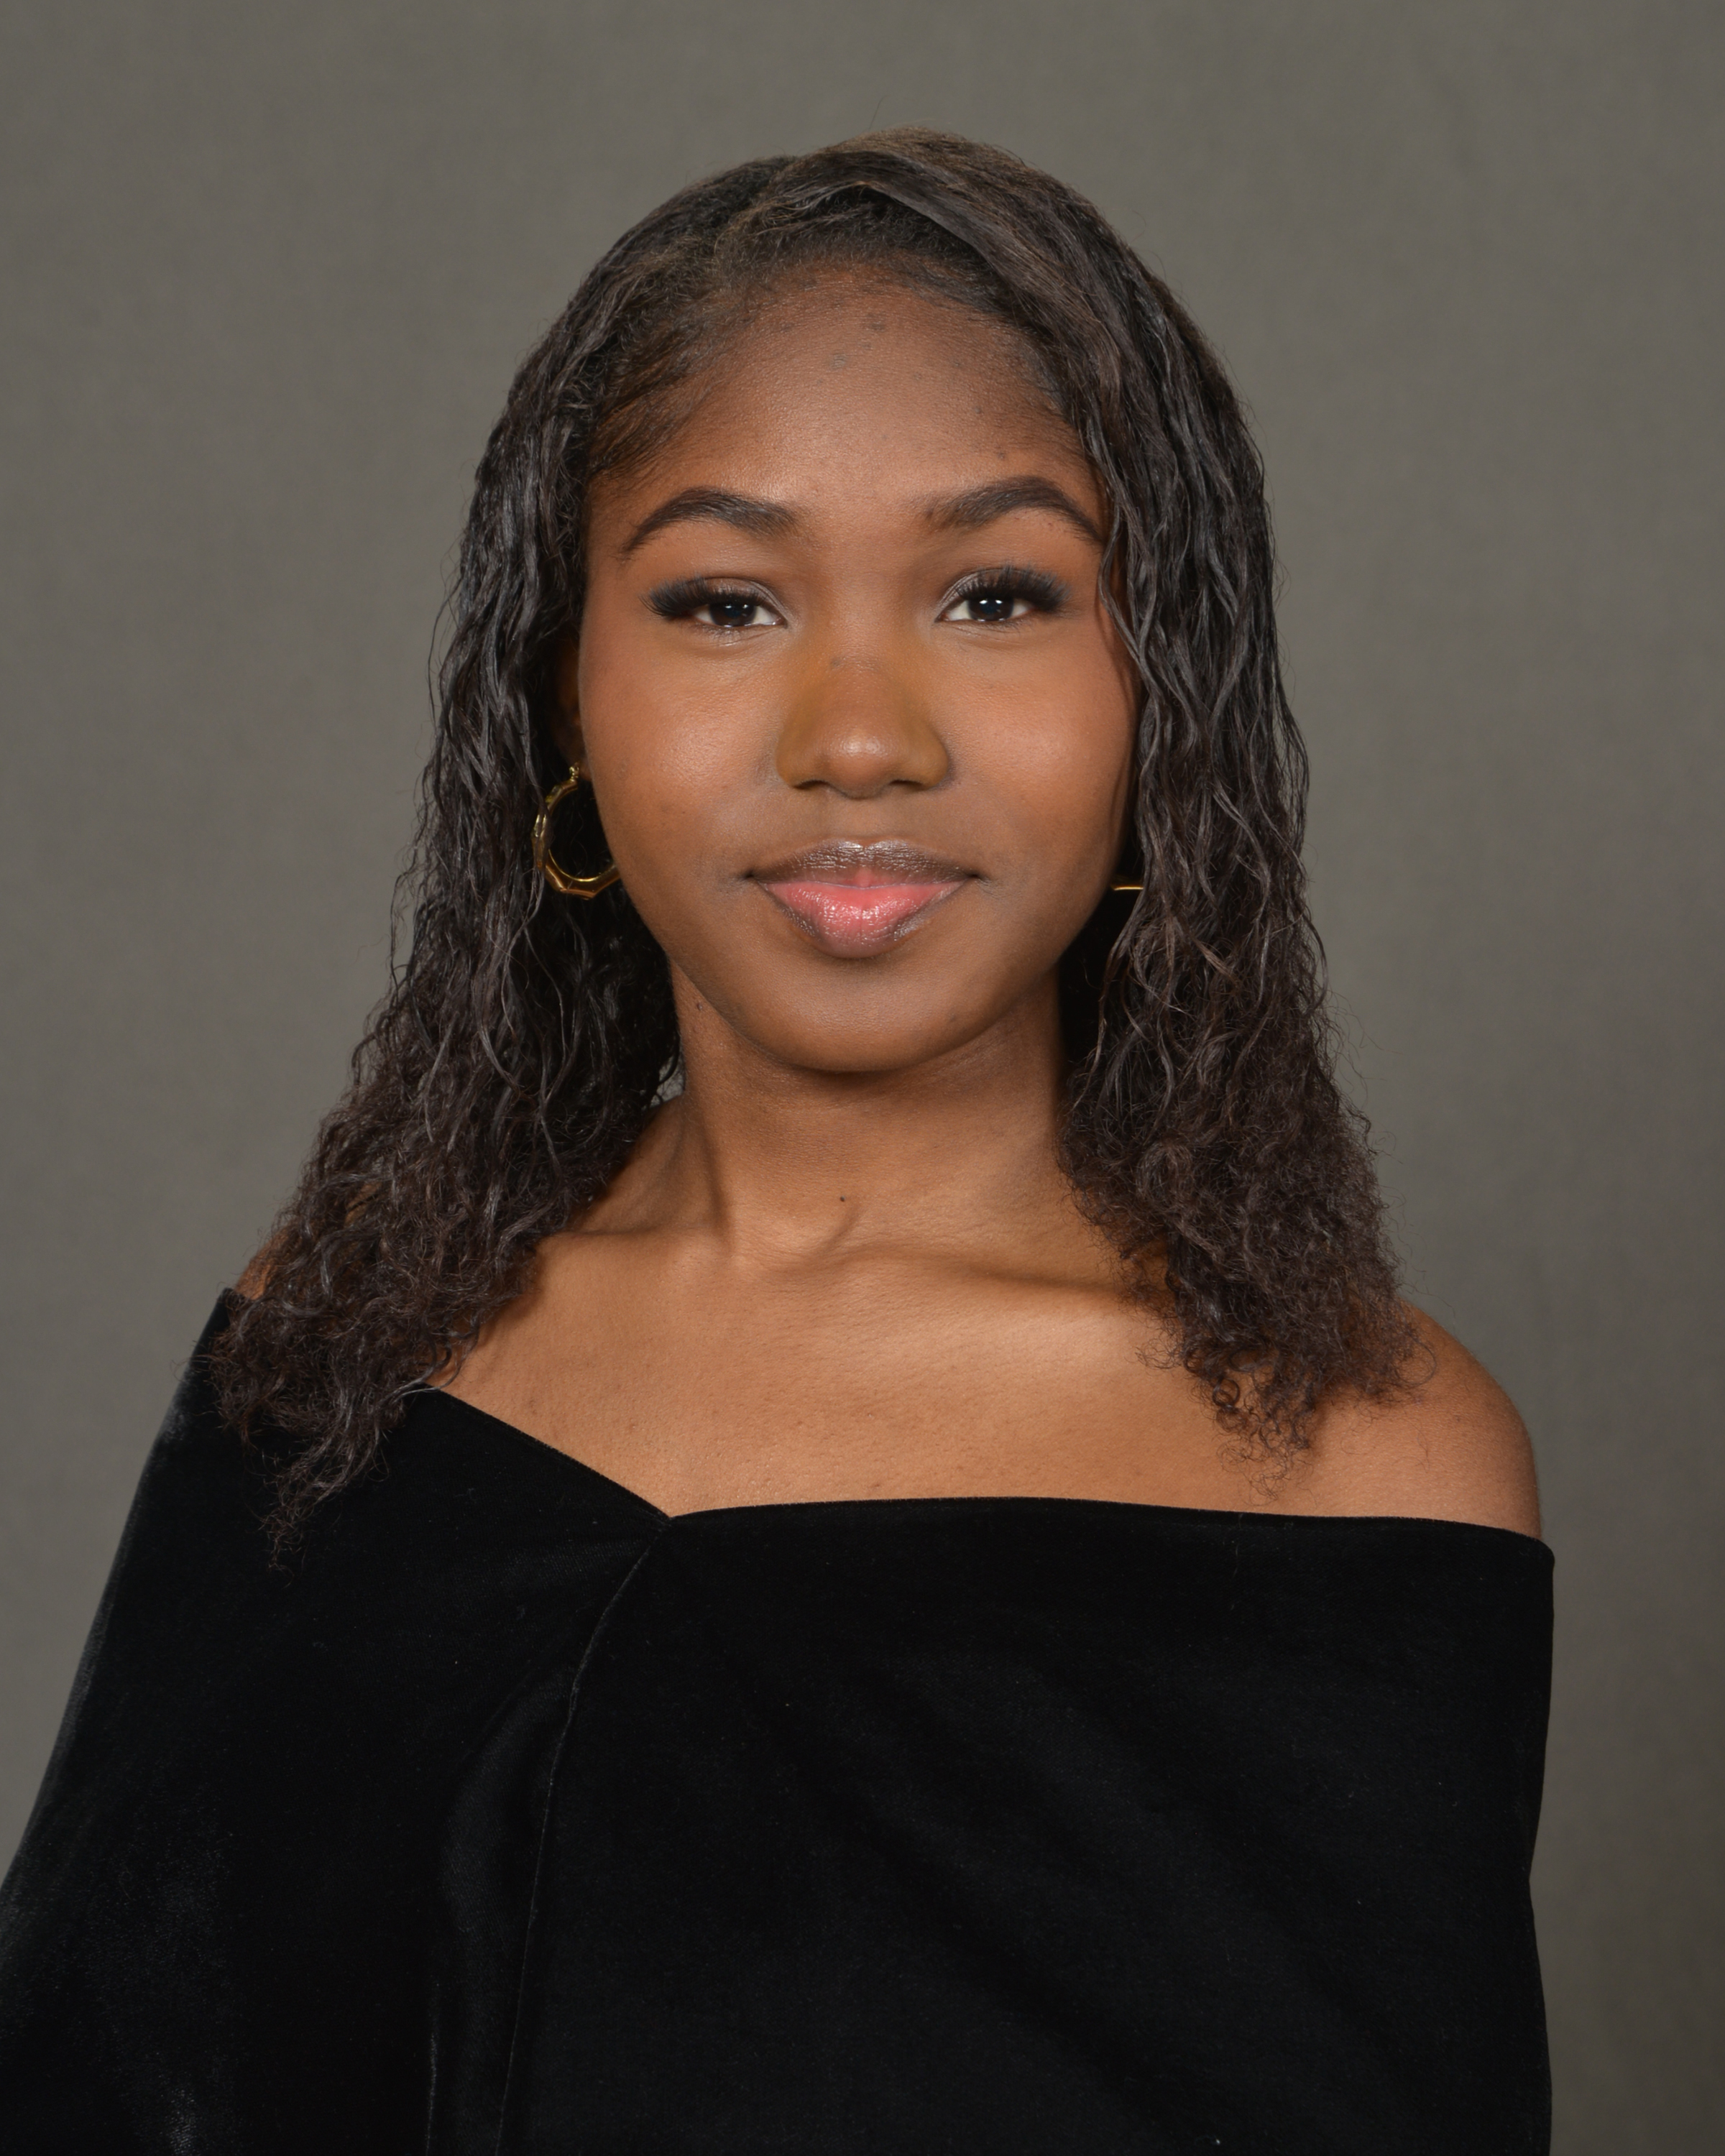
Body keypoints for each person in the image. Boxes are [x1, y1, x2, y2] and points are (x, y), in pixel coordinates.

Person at [0, 130, 1550, 2152]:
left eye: (996, 593)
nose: (858, 739)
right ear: (562, 690)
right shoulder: (351, 1339)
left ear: (1169, 691)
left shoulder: (1361, 1463)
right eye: (725, 602)